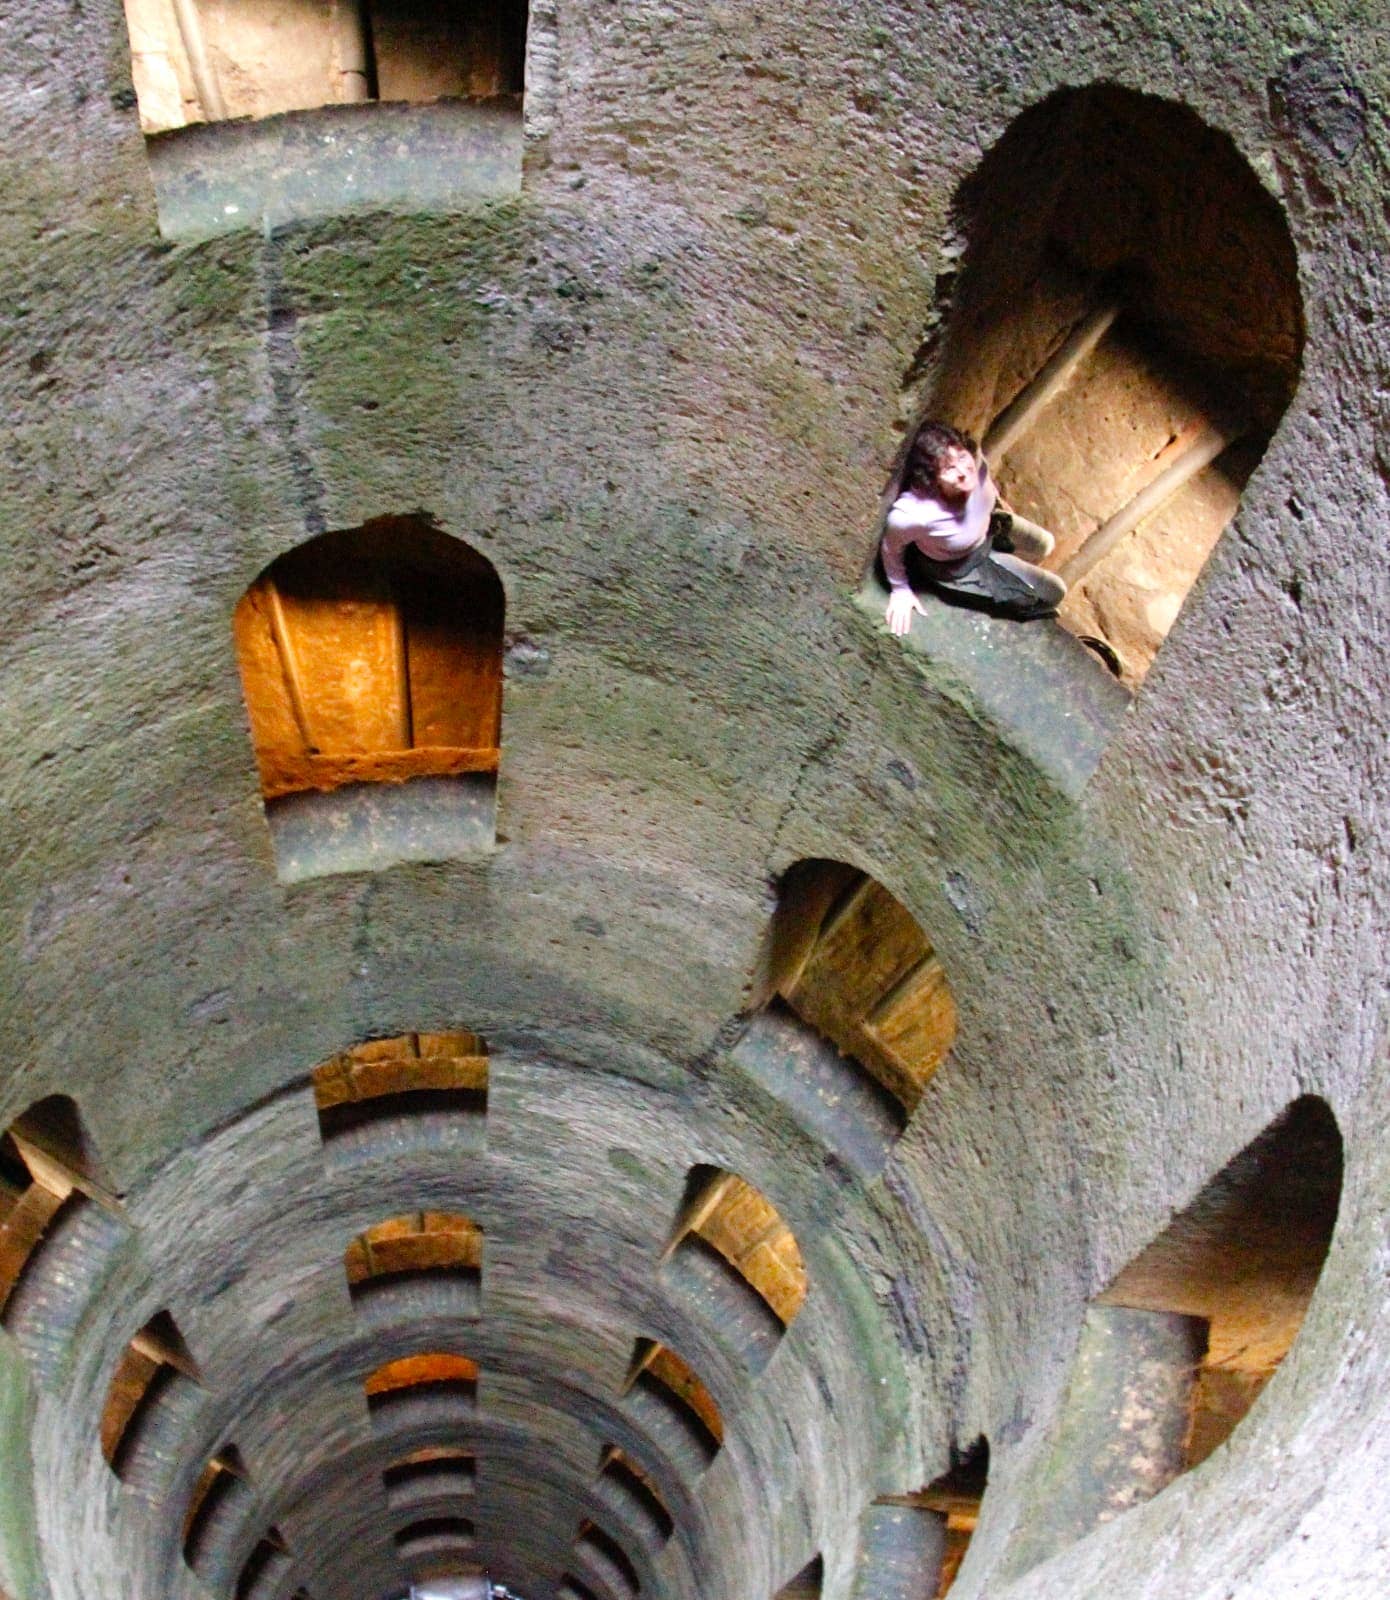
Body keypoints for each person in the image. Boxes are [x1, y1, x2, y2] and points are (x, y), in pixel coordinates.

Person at [881, 422, 1067, 634]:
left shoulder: (975, 460)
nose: (962, 471)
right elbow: (891, 549)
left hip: (991, 526)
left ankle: (1016, 562)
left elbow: (986, 483)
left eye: (961, 457)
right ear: (930, 479)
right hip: (964, 562)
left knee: (1045, 544)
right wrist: (900, 589)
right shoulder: (913, 515)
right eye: (948, 468)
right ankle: (998, 577)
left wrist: (996, 504)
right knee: (1054, 592)